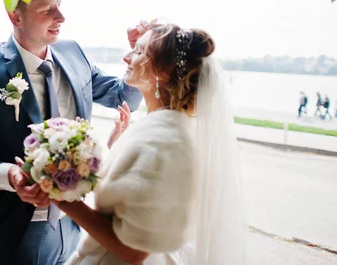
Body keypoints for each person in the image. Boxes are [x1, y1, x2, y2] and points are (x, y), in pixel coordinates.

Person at [0, 0, 143, 265]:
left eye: (60, 5)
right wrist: (10, 176)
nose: (61, 16)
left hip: (73, 222)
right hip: (12, 230)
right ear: (16, 17)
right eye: (47, 10)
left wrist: (139, 52)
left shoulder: (74, 53)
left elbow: (123, 98)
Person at [52, 21, 246, 265]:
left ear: (163, 71)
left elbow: (133, 250)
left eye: (140, 51)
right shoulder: (164, 128)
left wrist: (63, 200)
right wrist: (118, 148)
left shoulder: (164, 140)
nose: (126, 57)